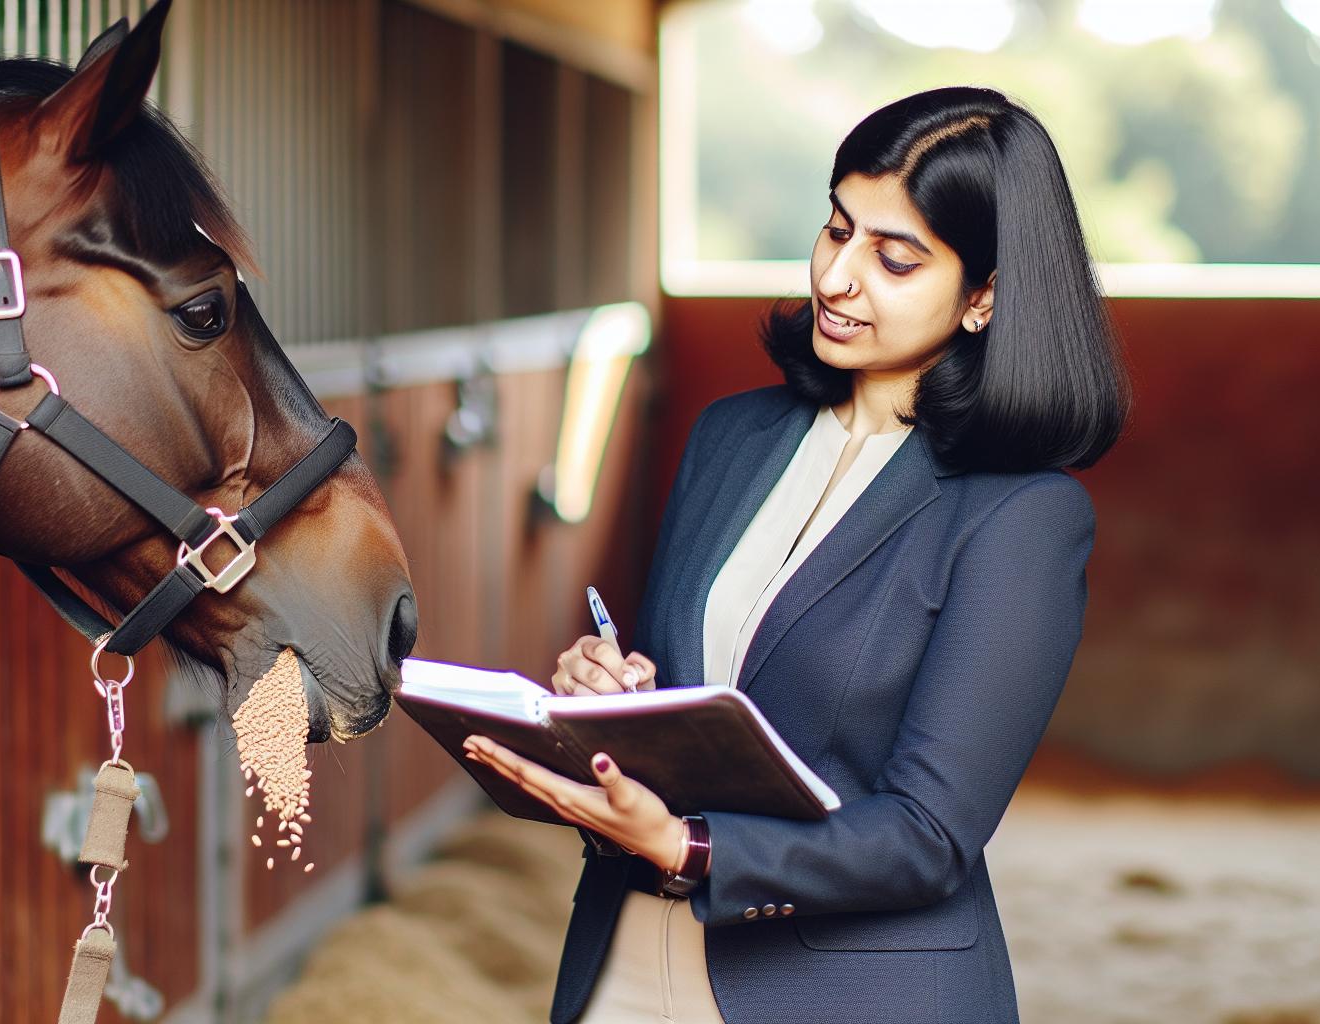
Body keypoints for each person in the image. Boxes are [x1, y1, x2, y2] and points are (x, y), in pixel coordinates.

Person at [464, 85, 1131, 1024]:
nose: (837, 277)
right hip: (621, 965)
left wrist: (692, 847)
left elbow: (929, 835)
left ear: (983, 297)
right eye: (836, 229)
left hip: (850, 990)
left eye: (894, 260)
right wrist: (608, 697)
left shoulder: (1022, 516)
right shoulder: (730, 435)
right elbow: (696, 698)